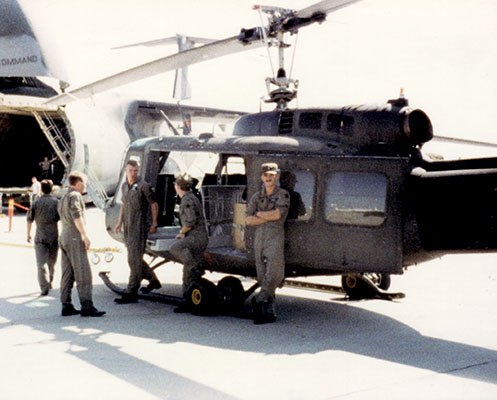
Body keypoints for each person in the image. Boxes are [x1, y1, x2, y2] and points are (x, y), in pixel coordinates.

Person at [246, 162, 290, 324]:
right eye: (266, 175)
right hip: (259, 237)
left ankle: (259, 298)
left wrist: (258, 214)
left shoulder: (283, 194)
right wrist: (264, 216)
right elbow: (248, 220)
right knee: (262, 274)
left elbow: (277, 215)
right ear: (261, 177)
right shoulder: (256, 196)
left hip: (274, 237)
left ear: (276, 176)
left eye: (271, 175)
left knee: (275, 274)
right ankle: (266, 311)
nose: (268, 178)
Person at [58, 171, 105, 317]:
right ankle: (87, 306)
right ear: (77, 183)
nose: (85, 186)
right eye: (84, 183)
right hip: (74, 235)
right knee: (83, 272)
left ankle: (66, 305)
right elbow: (77, 216)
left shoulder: (63, 196)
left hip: (64, 235)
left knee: (67, 273)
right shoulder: (75, 196)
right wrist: (85, 236)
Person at [114, 160, 161, 303]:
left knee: (134, 260)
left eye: (135, 170)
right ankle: (153, 280)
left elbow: (154, 204)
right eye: (130, 170)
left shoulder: (143, 186)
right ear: (125, 171)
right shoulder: (124, 186)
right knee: (133, 258)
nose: (133, 173)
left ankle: (131, 291)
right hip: (127, 226)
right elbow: (124, 204)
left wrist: (154, 223)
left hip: (138, 226)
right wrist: (119, 222)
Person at [169, 173, 208, 313]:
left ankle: (193, 265)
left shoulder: (186, 200)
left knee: (174, 248)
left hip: (196, 237)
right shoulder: (191, 197)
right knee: (188, 272)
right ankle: (188, 299)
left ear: (178, 187)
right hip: (200, 238)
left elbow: (190, 221)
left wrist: (182, 232)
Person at [26, 179, 59, 296]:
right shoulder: (56, 202)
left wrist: (28, 234)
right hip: (54, 236)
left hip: (40, 236)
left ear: (41, 189)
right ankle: (50, 282)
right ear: (52, 189)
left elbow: (29, 219)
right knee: (52, 262)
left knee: (41, 263)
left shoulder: (35, 203)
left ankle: (44, 287)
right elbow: (62, 218)